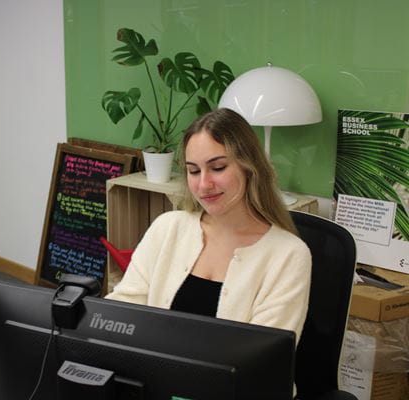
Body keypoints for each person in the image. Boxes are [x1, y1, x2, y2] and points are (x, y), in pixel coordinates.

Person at [105, 108, 311, 344]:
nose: (203, 185)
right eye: (193, 171)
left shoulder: (288, 254)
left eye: (218, 167)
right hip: (154, 376)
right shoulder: (167, 228)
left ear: (249, 167)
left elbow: (263, 358)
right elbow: (119, 313)